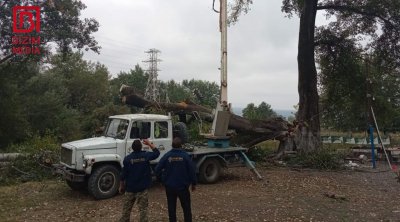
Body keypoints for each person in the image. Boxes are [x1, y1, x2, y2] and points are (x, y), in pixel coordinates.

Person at [155, 137, 197, 222]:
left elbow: (157, 169)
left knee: (171, 209)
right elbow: (192, 170)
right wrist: (194, 183)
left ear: (172, 145)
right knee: (186, 209)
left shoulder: (167, 156)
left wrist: (162, 180)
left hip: (170, 187)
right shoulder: (185, 156)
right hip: (183, 187)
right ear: (181, 146)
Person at [119, 139, 160, 222]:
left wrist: (121, 186)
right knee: (143, 211)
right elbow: (157, 153)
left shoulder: (127, 159)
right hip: (142, 189)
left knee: (126, 212)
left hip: (130, 189)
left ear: (132, 148)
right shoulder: (145, 156)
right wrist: (149, 143)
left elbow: (123, 175)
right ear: (141, 147)